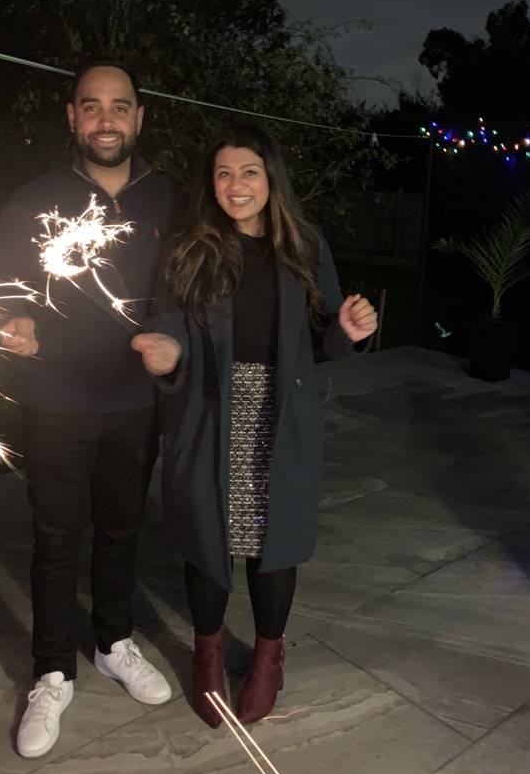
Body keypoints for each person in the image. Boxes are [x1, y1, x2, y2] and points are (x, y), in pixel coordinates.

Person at [132, 124, 377, 727]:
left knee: (275, 544)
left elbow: (324, 327)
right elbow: (166, 320)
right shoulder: (190, 247)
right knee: (206, 539)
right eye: (223, 173)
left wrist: (347, 331)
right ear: (210, 183)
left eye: (248, 172)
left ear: (271, 180)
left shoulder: (305, 244)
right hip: (208, 411)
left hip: (281, 412)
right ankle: (208, 654)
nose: (235, 186)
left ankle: (269, 656)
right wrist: (167, 350)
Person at [0, 59, 185, 758]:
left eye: (121, 106)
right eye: (92, 106)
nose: (107, 119)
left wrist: (174, 338)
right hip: (55, 401)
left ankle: (113, 641)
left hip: (133, 402)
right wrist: (15, 324)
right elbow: (4, 289)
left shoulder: (171, 200)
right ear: (72, 117)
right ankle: (51, 671)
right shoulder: (32, 200)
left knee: (123, 529)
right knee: (55, 538)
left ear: (140, 117)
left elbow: (184, 292)